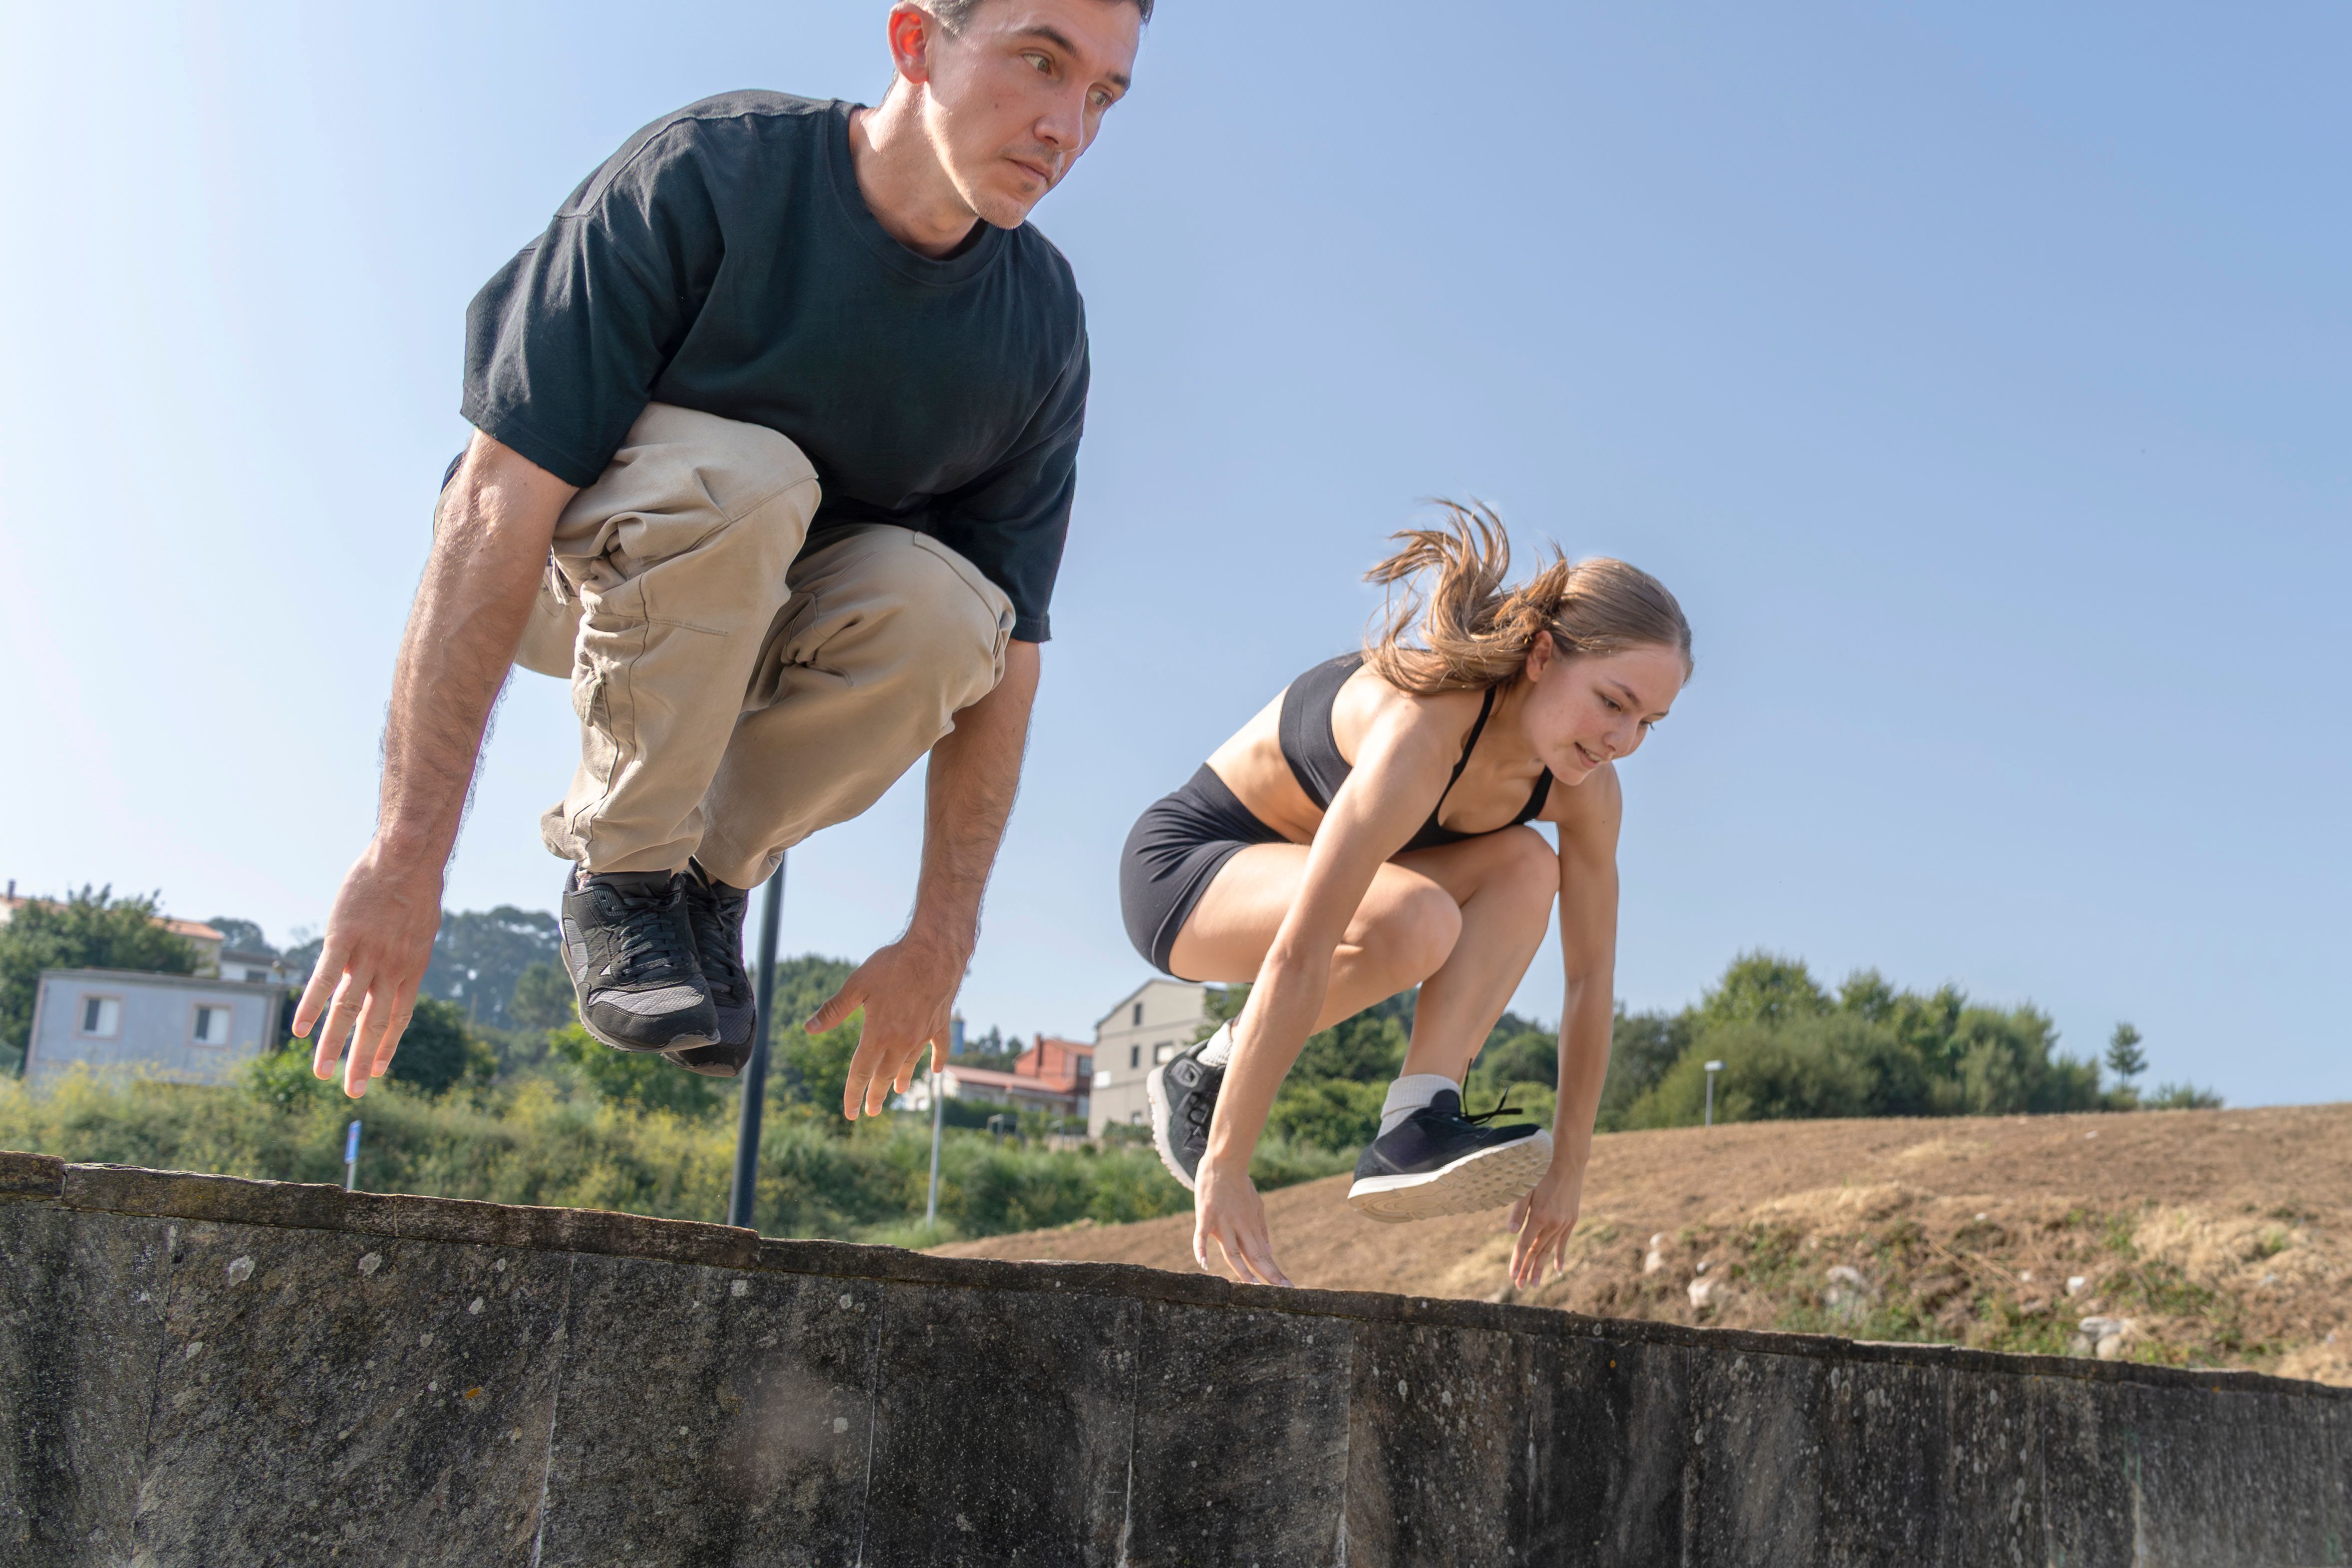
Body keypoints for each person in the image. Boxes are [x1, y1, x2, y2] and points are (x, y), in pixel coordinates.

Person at [293, 0, 1148, 1103]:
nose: (1065, 128)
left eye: (1101, 98)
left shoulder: (1038, 322)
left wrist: (940, 939)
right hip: (582, 572)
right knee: (753, 480)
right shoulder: (709, 174)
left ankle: (700, 884)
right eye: (1040, 62)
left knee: (951, 612)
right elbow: (494, 504)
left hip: (768, 619)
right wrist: (406, 855)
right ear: (914, 42)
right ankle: (624, 874)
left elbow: (1011, 649)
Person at [1122, 505, 1691, 1289]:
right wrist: (1226, 1163)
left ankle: (1419, 1117)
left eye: (1648, 724)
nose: (1622, 740)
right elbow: (1303, 946)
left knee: (1529, 866)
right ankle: (1205, 1073)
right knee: (1418, 919)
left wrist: (1568, 1168)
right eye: (1613, 701)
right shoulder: (1424, 731)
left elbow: (1590, 980)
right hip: (1190, 872)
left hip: (1331, 894)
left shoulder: (1585, 790)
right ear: (1542, 655)